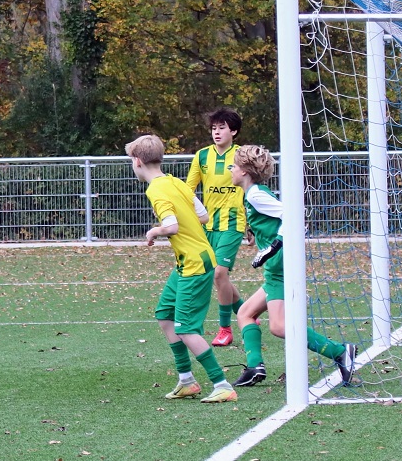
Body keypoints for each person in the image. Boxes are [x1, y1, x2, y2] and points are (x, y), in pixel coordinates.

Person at [229, 145, 357, 387]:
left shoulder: (255, 194)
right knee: (245, 313)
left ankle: (340, 352)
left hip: (279, 265)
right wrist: (257, 234)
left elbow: (294, 214)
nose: (231, 170)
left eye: (233, 166)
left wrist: (274, 245)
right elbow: (273, 219)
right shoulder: (253, 194)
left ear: (244, 171)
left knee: (279, 326)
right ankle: (255, 366)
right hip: (275, 266)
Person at [126, 134, 236, 403]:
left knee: (186, 328)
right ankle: (186, 380)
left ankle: (222, 385)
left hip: (194, 265)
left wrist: (154, 231)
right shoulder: (176, 182)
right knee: (165, 315)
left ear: (137, 161)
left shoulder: (155, 190)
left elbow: (172, 226)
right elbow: (203, 216)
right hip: (191, 260)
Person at [185, 108, 246, 347]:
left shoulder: (241, 156)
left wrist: (252, 225)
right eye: (213, 128)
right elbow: (188, 190)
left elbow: (250, 189)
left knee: (220, 273)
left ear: (234, 131)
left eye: (222, 128)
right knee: (218, 277)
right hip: (208, 226)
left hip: (233, 223)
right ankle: (246, 312)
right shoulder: (202, 156)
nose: (216, 132)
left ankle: (225, 329)